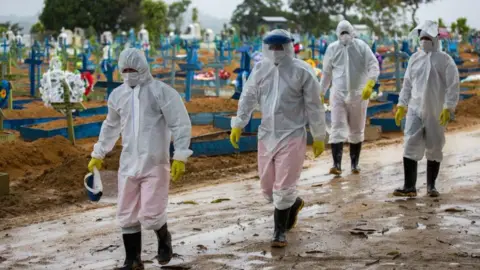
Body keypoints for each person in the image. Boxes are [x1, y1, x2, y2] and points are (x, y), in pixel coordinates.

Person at [87, 48, 193, 269]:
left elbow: (180, 123)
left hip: (155, 163)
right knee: (126, 213)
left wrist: (180, 155)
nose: (129, 73)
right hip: (128, 164)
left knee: (152, 215)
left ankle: (164, 239)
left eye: (133, 69)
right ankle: (132, 259)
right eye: (124, 70)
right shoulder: (117, 95)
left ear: (143, 67)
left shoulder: (161, 92)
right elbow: (111, 126)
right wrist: (98, 153)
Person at [229, 29, 326, 248]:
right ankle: (294, 203)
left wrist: (319, 134)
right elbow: (248, 97)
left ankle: (278, 233)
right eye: (271, 47)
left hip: (292, 135)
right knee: (267, 188)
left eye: (280, 46)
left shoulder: (302, 71)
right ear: (265, 48)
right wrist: (238, 123)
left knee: (283, 187)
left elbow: (314, 105)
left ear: (289, 47)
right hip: (266, 135)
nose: (275, 51)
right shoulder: (260, 69)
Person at [393, 20, 459, 198]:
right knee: (409, 145)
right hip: (415, 109)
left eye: (427, 37)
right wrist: (401, 104)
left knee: (434, 146)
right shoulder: (414, 59)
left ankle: (431, 187)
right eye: (421, 37)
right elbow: (407, 85)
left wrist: (449, 107)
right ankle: (409, 186)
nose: (423, 41)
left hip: (435, 110)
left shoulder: (445, 60)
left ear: (436, 38)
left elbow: (453, 85)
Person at [319, 20, 380, 176]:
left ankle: (354, 164)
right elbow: (326, 73)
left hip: (359, 94)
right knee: (336, 127)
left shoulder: (361, 47)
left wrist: (370, 83)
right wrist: (320, 92)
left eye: (347, 32)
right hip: (338, 94)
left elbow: (373, 65)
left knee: (356, 129)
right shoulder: (332, 49)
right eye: (342, 33)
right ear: (337, 34)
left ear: (352, 33)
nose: (345, 36)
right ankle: (336, 165)